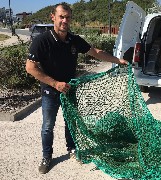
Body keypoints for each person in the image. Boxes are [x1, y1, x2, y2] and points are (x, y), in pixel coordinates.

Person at [26, 2, 128, 174]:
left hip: (70, 91)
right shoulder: (41, 41)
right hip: (50, 92)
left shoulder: (74, 40)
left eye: (68, 17)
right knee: (47, 126)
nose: (65, 21)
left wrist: (118, 61)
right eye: (61, 17)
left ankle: (72, 149)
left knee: (71, 122)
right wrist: (54, 83)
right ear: (53, 17)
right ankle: (46, 156)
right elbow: (30, 67)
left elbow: (95, 52)